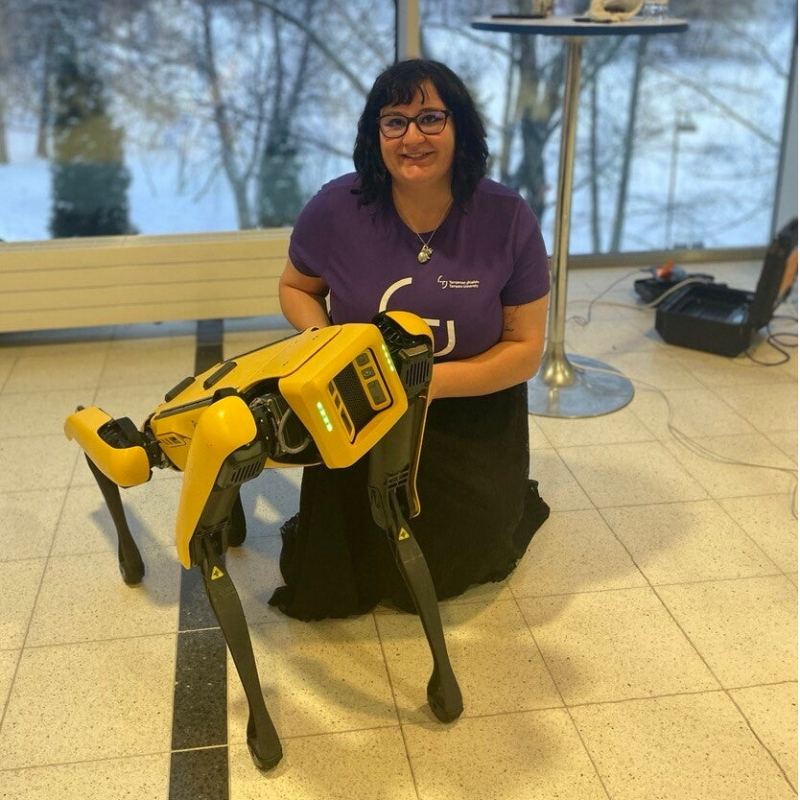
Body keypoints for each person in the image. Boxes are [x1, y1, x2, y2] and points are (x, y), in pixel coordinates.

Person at [269, 58, 551, 620]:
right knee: (338, 569)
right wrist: (325, 346)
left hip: (465, 405)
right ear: (375, 134)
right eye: (394, 121)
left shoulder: (507, 217)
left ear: (459, 127)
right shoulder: (335, 207)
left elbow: (525, 350)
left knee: (447, 565)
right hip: (362, 405)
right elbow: (295, 288)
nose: (412, 137)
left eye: (430, 118)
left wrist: (425, 385)